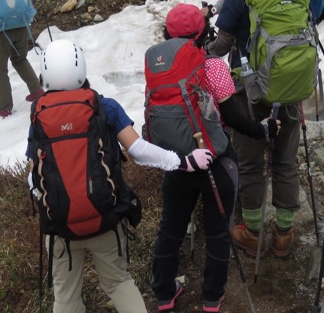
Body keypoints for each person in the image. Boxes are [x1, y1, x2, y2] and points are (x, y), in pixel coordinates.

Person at [29, 40, 214, 313]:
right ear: (81, 68)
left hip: (60, 227)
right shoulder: (105, 106)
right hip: (105, 217)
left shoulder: (39, 115)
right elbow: (138, 150)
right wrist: (183, 161)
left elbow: (33, 176)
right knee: (118, 283)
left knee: (66, 298)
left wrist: (51, 201)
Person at [149, 4, 278, 312]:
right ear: (202, 32)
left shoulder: (158, 68)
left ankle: (165, 294)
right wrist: (263, 129)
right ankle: (211, 297)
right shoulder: (214, 65)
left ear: (167, 34)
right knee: (219, 230)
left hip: (178, 161)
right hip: (217, 160)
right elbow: (232, 117)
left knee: (171, 228)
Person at [205, 0, 303, 259]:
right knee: (285, 161)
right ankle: (285, 234)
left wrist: (199, 51)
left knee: (250, 162)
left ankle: (252, 231)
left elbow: (221, 46)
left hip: (249, 91)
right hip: (291, 85)